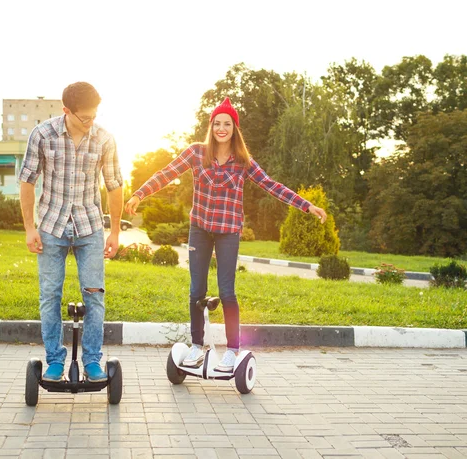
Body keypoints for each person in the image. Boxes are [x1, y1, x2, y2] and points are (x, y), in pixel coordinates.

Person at [125, 97, 326, 372]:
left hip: (228, 232)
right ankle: (197, 346)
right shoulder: (196, 152)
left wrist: (306, 205)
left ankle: (233, 350)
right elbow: (166, 173)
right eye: (217, 123)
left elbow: (271, 185)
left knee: (227, 292)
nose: (221, 128)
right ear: (211, 126)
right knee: (197, 290)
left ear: (234, 128)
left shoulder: (243, 161)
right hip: (200, 230)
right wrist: (139, 194)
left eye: (227, 124)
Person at [19, 82, 123, 382]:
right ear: (66, 111)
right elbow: (26, 181)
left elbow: (115, 185)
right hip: (51, 226)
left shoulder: (104, 139)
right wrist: (29, 228)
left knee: (94, 295)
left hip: (89, 227)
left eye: (94, 115)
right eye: (85, 117)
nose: (91, 121)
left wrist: (115, 231)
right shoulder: (42, 135)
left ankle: (92, 361)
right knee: (49, 296)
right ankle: (54, 360)